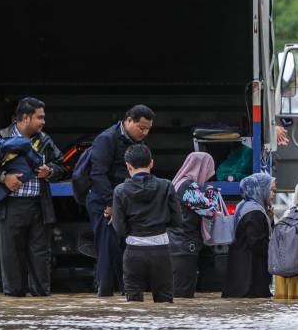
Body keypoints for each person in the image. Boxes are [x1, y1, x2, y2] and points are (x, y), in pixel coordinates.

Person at [0, 97, 65, 297]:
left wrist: (49, 171)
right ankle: (14, 303)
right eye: (39, 118)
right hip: (9, 207)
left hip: (39, 208)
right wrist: (3, 178)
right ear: (25, 118)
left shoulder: (45, 140)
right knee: (11, 259)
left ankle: (40, 305)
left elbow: (61, 165)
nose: (43, 122)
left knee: (41, 259)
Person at [86, 104, 155, 295]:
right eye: (141, 128)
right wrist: (111, 205)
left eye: (148, 129)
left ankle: (128, 293)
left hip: (126, 203)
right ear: (129, 120)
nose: (145, 132)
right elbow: (98, 175)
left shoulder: (139, 144)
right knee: (108, 249)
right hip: (104, 202)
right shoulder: (107, 139)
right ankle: (105, 293)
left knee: (128, 249)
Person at [112, 143, 182, 302]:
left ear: (128, 166)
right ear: (151, 162)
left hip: (133, 251)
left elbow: (119, 228)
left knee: (133, 304)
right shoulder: (166, 186)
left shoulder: (120, 190)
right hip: (161, 251)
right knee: (165, 303)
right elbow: (178, 220)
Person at [168, 151, 218, 297]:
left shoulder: (179, 183)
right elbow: (209, 210)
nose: (209, 175)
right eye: (209, 170)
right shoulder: (186, 186)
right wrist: (212, 193)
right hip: (183, 246)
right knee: (183, 294)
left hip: (177, 244)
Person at [222, 172, 274, 298]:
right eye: (271, 190)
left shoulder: (243, 205)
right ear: (260, 189)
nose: (273, 195)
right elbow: (257, 243)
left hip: (239, 272)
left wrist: (270, 218)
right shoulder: (255, 212)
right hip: (251, 276)